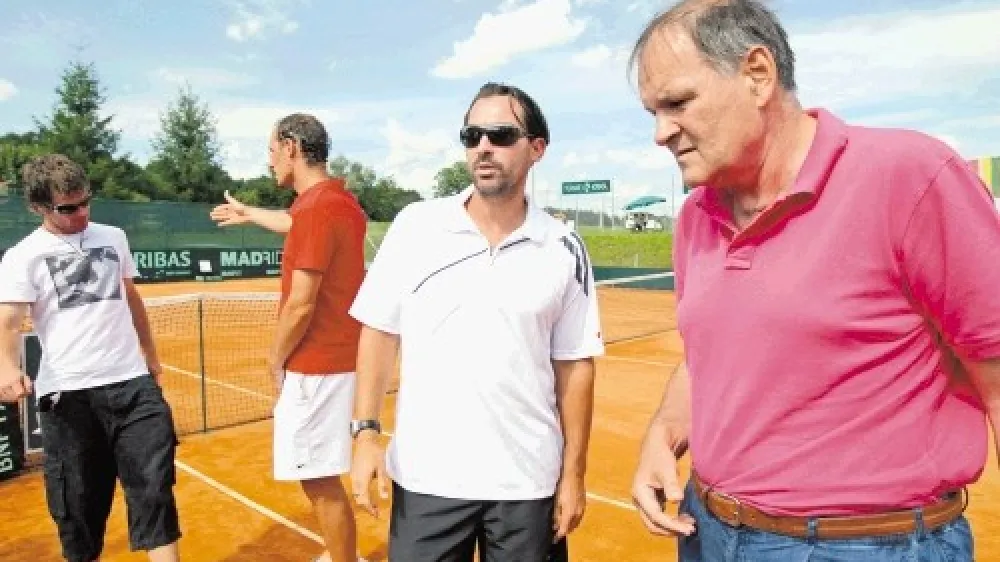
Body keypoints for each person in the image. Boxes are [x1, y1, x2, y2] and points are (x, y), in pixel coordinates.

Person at [628, 1, 1000, 560]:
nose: (661, 133)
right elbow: (704, 354)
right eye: (652, 112)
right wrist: (662, 434)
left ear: (757, 74)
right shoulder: (695, 218)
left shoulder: (909, 176)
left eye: (677, 103)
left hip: (868, 545)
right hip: (707, 530)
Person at [347, 82, 603, 562]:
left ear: (536, 149)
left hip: (528, 484)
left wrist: (573, 474)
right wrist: (364, 433)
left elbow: (575, 367)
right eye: (472, 134)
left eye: (501, 134)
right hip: (428, 479)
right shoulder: (415, 227)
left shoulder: (563, 246)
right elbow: (379, 332)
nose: (483, 146)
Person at [0, 154, 181, 562]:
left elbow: (131, 297)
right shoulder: (22, 256)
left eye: (86, 202)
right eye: (68, 208)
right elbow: (8, 320)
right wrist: (7, 367)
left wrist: (150, 354)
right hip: (69, 397)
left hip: (132, 385)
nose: (81, 213)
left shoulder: (113, 237)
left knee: (154, 491)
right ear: (39, 207)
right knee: (79, 508)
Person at [209, 113, 366, 562]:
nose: (270, 160)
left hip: (315, 363)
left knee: (318, 478)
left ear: (292, 147)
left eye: (272, 149)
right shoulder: (337, 201)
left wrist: (275, 358)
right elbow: (293, 220)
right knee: (320, 473)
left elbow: (301, 303)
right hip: (339, 358)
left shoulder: (316, 208)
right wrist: (247, 213)